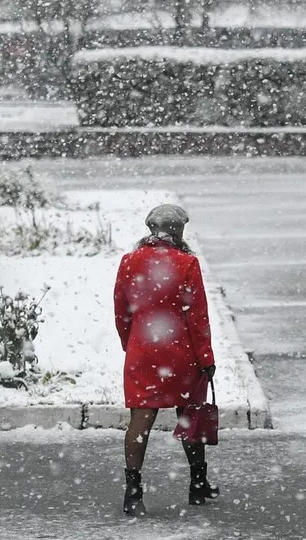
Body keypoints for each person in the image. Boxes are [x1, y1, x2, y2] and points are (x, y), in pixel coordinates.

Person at [113, 203, 218, 516]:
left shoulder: (129, 261)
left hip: (143, 353)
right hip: (181, 352)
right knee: (189, 414)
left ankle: (133, 492)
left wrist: (130, 344)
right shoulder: (187, 263)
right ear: (179, 232)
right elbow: (197, 316)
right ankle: (198, 484)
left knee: (140, 421)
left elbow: (121, 310)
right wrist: (206, 357)